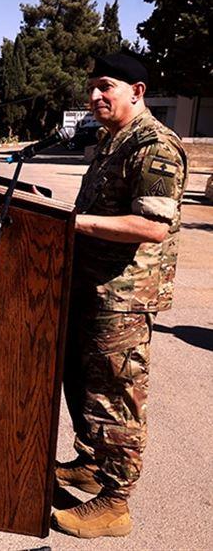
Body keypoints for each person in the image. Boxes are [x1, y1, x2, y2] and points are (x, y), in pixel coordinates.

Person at [52, 53, 187, 539]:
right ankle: (93, 464)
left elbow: (151, 225)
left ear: (137, 91)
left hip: (123, 296)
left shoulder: (154, 145)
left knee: (115, 395)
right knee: (83, 384)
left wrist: (73, 223)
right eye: (91, 87)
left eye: (105, 86)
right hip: (93, 286)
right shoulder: (114, 142)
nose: (94, 96)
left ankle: (115, 503)